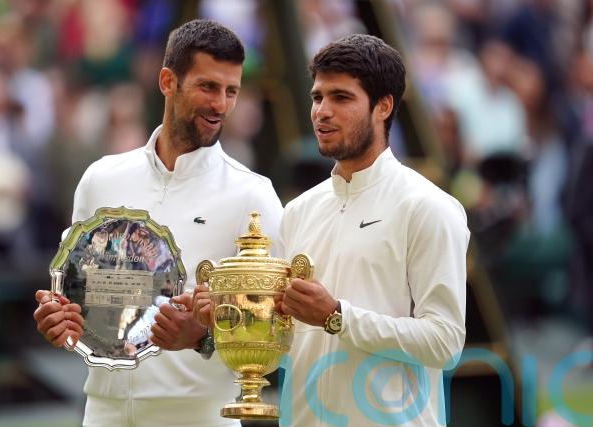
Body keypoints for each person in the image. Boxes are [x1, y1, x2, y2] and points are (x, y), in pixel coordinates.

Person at [195, 34, 469, 426]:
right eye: (317, 97)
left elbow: (445, 343)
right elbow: (295, 348)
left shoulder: (428, 207)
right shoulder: (299, 211)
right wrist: (231, 319)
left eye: (341, 97)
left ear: (383, 106)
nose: (322, 111)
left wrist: (337, 317)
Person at [32, 19, 283, 427]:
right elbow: (75, 294)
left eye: (231, 91)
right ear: (167, 81)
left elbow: (278, 331)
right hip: (103, 412)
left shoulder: (253, 196)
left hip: (201, 416)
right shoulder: (100, 178)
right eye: (207, 86)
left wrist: (200, 339)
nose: (221, 104)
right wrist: (58, 320)